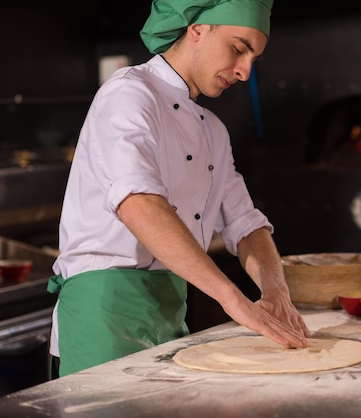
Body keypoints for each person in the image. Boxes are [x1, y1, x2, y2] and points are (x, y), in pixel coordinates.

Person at [47, 0, 310, 378]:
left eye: (254, 58)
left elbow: (246, 223)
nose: (244, 71)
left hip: (170, 313)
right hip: (103, 313)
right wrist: (232, 298)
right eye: (238, 48)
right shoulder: (128, 94)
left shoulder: (213, 131)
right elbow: (139, 205)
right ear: (197, 29)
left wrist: (276, 293)